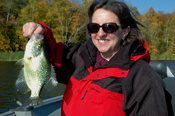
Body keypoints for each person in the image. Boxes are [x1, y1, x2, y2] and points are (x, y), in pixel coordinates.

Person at [22, 0, 173, 115]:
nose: (100, 34)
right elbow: (53, 54)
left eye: (109, 27)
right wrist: (42, 32)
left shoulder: (143, 78)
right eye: (94, 27)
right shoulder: (82, 56)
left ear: (125, 31)